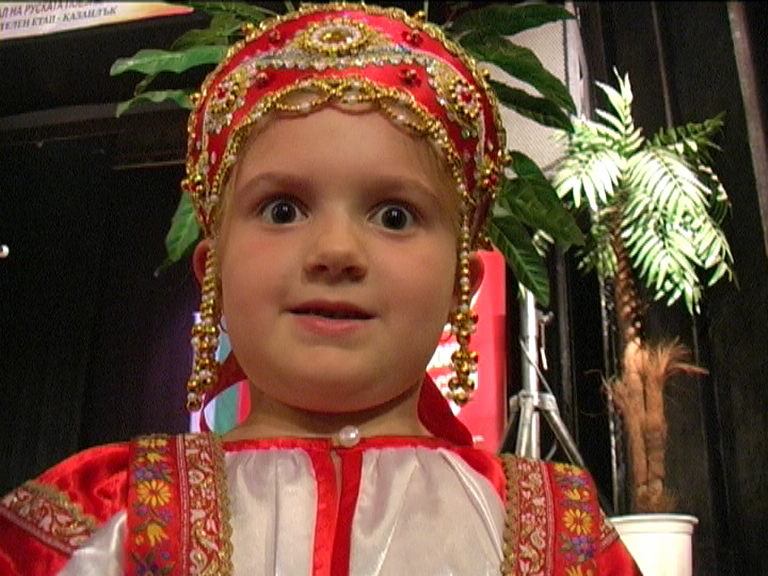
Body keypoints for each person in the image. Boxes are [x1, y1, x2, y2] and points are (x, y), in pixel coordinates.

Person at [0, 3, 642, 574]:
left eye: (395, 216)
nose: (336, 252)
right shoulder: (101, 517)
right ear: (212, 270)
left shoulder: (559, 539)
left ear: (461, 284)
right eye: (283, 210)